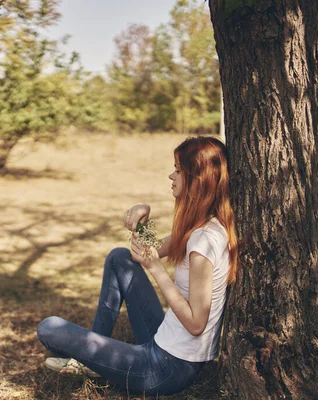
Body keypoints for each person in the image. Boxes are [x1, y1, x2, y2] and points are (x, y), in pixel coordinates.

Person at [36, 136, 239, 396]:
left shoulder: (203, 243)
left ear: (196, 179)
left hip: (168, 368)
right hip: (165, 343)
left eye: (177, 170)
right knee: (119, 257)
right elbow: (144, 253)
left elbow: (197, 324)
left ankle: (93, 360)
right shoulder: (202, 226)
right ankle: (93, 362)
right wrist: (143, 217)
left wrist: (156, 270)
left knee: (49, 328)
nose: (171, 176)